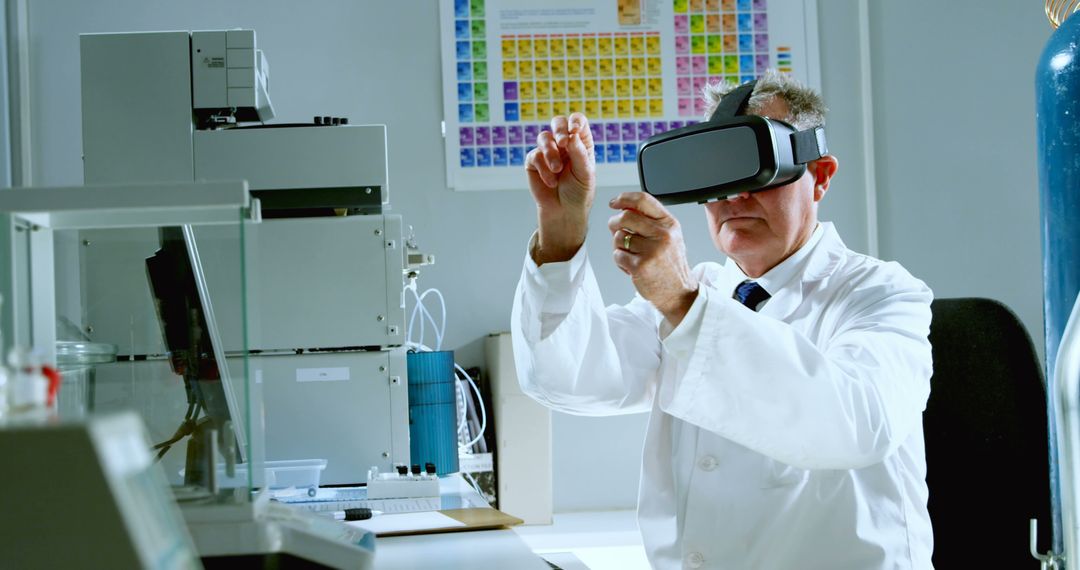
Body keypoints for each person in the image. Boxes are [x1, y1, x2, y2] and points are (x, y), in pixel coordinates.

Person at [510, 70, 934, 569]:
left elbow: (856, 424)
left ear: (818, 176)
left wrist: (685, 305)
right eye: (718, 173)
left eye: (756, 167)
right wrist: (561, 232)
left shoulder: (882, 294)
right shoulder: (694, 293)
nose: (733, 197)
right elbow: (565, 378)